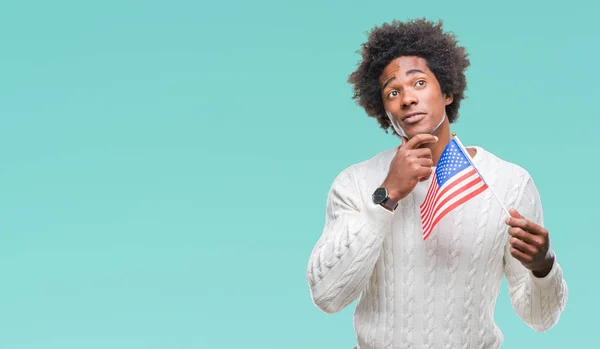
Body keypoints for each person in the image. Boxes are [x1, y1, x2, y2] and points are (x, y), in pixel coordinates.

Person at [305, 18, 568, 349]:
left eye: (418, 83)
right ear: (384, 110)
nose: (407, 99)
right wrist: (387, 196)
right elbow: (328, 295)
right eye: (393, 91)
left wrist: (543, 268)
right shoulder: (355, 183)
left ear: (447, 91)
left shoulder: (509, 183)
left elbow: (540, 319)